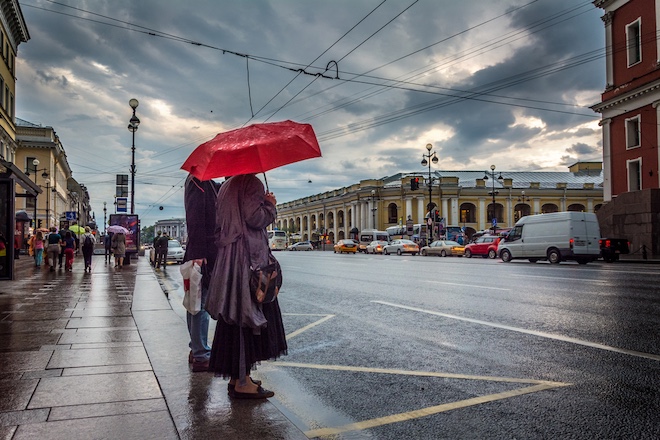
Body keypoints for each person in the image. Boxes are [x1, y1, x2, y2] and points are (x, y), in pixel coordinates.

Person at [206, 174, 287, 399]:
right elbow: (255, 218)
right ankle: (242, 382)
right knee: (247, 316)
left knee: (233, 317)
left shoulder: (225, 186)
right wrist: (270, 205)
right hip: (248, 260)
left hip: (229, 259)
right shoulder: (251, 182)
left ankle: (237, 377)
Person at [183, 174, 221, 372]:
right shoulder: (198, 181)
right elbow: (195, 217)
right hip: (203, 254)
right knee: (200, 305)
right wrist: (199, 254)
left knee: (195, 303)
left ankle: (196, 348)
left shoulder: (205, 183)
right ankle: (201, 354)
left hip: (202, 252)